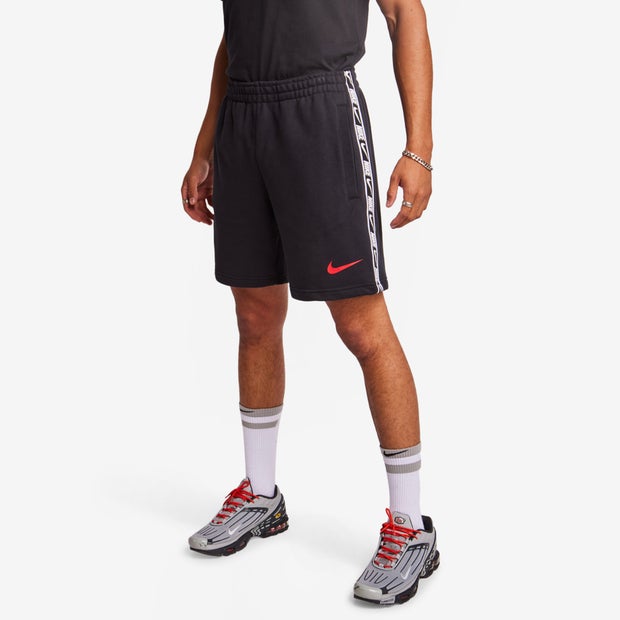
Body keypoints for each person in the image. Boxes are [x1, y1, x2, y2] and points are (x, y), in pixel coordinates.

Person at [181, 0, 438, 606]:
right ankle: (261, 495)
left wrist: (419, 147)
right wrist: (205, 144)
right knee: (254, 316)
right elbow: (233, 38)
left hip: (319, 114)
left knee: (362, 327)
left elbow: (405, 14)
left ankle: (410, 528)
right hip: (244, 117)